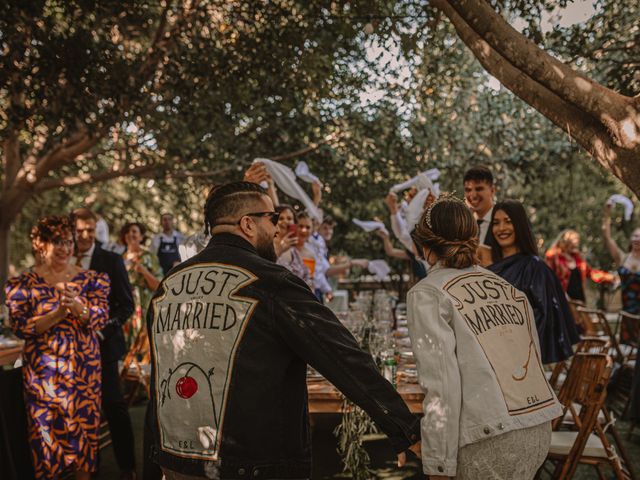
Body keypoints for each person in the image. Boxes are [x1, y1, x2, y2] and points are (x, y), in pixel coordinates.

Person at [145, 181, 420, 479]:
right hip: (253, 464)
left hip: (176, 460)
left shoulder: (167, 286)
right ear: (248, 224)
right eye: (273, 218)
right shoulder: (270, 281)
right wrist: (405, 427)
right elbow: (341, 356)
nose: (278, 229)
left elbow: (158, 382)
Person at [407, 195, 561, 479]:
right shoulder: (506, 288)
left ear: (425, 245)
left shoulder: (428, 292)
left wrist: (438, 463)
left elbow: (442, 384)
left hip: (488, 438)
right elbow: (531, 359)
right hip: (537, 429)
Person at [4, 216, 110, 480]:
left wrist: (79, 308)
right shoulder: (22, 284)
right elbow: (22, 327)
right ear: (40, 243)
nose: (63, 247)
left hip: (84, 371)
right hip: (43, 375)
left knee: (84, 438)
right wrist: (59, 313)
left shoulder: (92, 279)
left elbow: (99, 317)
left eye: (68, 241)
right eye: (56, 241)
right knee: (45, 437)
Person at [72, 208, 137, 480]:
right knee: (81, 410)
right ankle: (90, 468)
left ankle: (127, 468)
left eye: (90, 230)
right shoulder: (62, 261)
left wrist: (100, 333)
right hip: (71, 351)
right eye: (80, 230)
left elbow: (126, 306)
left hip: (104, 348)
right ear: (71, 231)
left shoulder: (110, 260)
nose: (86, 236)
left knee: (113, 406)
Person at [485, 200, 580, 364]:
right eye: (496, 223)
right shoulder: (488, 270)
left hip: (522, 361)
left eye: (508, 222)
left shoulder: (535, 268)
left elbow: (543, 318)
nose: (501, 228)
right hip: (491, 356)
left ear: (520, 225)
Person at [120, 222, 161, 345]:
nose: (130, 234)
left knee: (144, 343)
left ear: (141, 237)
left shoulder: (149, 257)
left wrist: (143, 271)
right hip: (125, 306)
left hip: (144, 305)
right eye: (127, 232)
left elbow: (159, 286)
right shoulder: (120, 259)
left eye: (134, 231)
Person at [545, 229, 613, 302]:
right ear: (565, 242)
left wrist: (610, 277)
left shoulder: (577, 259)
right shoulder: (553, 255)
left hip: (579, 300)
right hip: (562, 300)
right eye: (573, 243)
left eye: (577, 242)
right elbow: (548, 278)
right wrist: (560, 293)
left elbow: (591, 273)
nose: (576, 245)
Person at [602, 200, 640, 317]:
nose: (637, 239)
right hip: (626, 313)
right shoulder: (622, 258)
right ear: (630, 239)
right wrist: (607, 214)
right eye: (635, 236)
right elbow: (607, 237)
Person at [274, 204, 311, 286]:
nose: (285, 221)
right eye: (281, 218)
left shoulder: (294, 251)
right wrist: (280, 249)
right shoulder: (268, 246)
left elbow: (307, 276)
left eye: (289, 218)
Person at [463, 165, 495, 244]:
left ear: (492, 190)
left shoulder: (506, 221)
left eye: (479, 189)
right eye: (468, 190)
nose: (473, 195)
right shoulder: (463, 224)